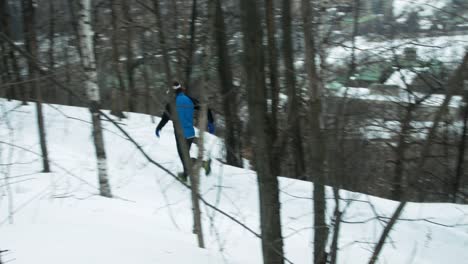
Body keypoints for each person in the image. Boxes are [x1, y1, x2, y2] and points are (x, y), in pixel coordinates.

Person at [155, 81, 215, 182]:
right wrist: (211, 122)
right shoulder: (189, 100)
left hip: (180, 135)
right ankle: (187, 174)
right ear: (181, 89)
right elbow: (205, 108)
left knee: (184, 157)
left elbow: (165, 118)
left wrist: (159, 128)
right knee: (185, 156)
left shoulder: (171, 104)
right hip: (190, 134)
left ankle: (198, 167)